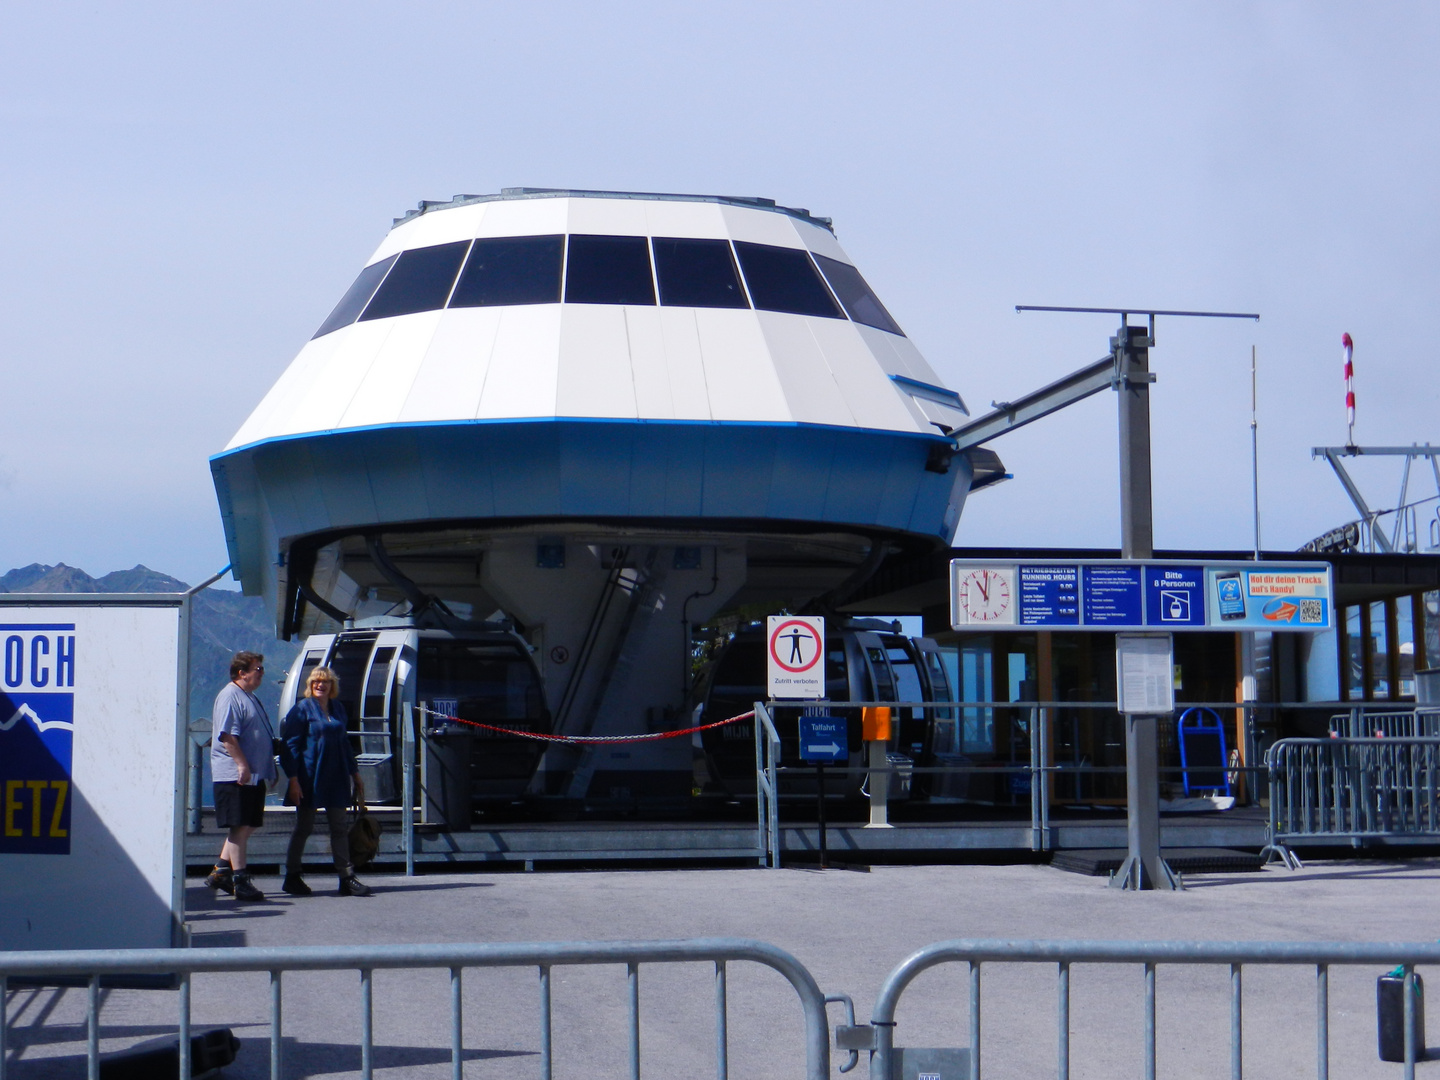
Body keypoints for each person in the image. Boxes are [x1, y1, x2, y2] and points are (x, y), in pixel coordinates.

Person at [280, 666, 372, 897]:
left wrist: (356, 774)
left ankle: (346, 877)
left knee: (339, 827)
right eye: (316, 682)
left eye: (326, 682)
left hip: (337, 776)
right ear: (310, 686)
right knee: (304, 827)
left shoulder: (338, 708)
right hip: (310, 777)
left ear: (333, 686)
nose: (321, 686)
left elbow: (344, 744)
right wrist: (293, 779)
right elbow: (289, 746)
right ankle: (292, 876)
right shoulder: (302, 709)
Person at [206, 651, 276, 902]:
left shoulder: (249, 697)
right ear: (241, 673)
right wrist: (242, 765)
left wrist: (269, 768)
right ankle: (240, 880)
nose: (261, 674)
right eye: (257, 669)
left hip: (252, 773)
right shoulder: (230, 696)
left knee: (250, 823)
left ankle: (222, 871)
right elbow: (226, 736)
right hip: (235, 774)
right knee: (239, 825)